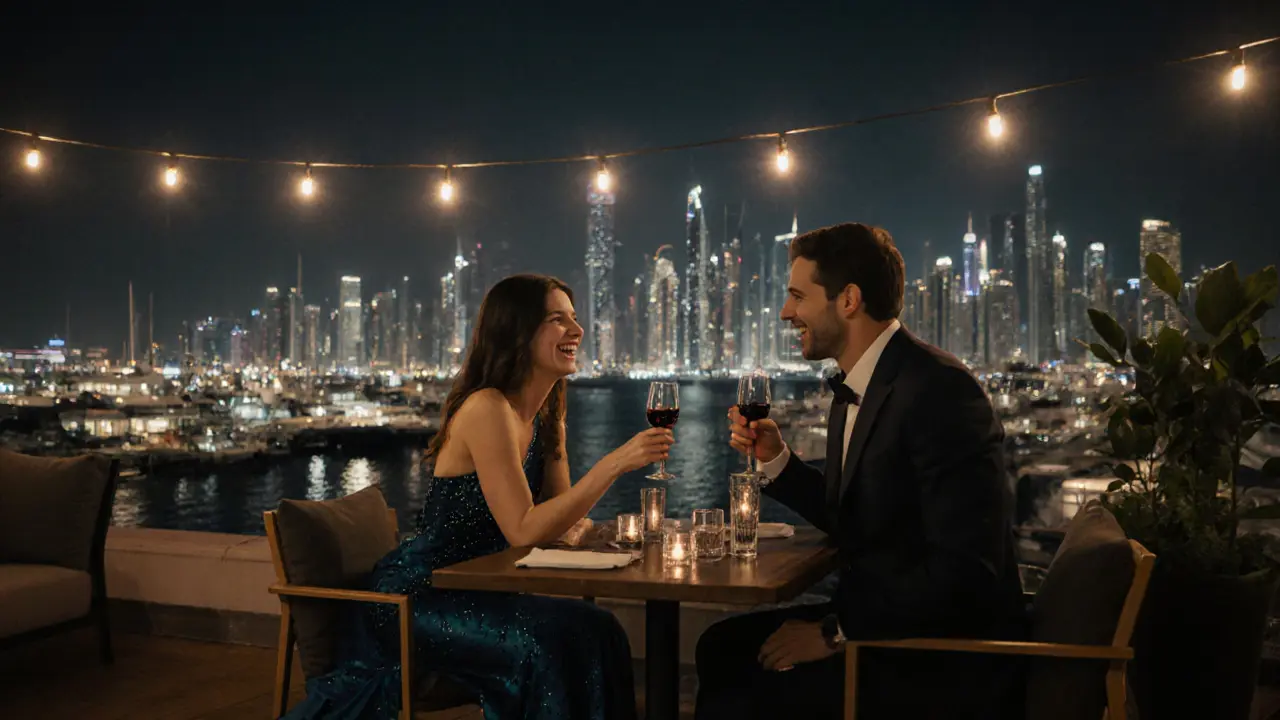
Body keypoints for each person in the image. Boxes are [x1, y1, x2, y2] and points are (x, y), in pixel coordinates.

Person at [285, 275, 673, 720]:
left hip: (484, 591)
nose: (576, 329)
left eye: (574, 317)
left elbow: (558, 522)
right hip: (420, 596)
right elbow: (523, 528)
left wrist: (593, 532)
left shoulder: (549, 418)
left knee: (600, 628)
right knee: (548, 642)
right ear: (518, 333)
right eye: (556, 318)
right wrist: (615, 463)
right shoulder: (487, 408)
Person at [696, 223, 1026, 720]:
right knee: (718, 646)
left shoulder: (939, 390)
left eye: (797, 296)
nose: (786, 313)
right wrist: (776, 460)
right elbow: (857, 513)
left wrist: (837, 632)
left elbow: (967, 572)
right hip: (887, 625)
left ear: (848, 300)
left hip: (937, 658)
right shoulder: (861, 384)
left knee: (745, 696)